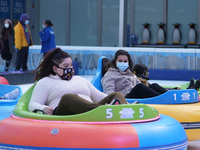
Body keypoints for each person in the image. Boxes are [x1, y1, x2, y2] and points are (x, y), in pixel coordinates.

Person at [28, 48, 128, 115]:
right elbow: (33, 103)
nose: (70, 68)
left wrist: (111, 99)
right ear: (55, 69)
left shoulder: (80, 80)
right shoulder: (45, 82)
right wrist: (43, 108)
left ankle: (127, 107)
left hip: (89, 111)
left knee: (117, 95)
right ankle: (102, 111)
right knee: (69, 97)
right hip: (65, 113)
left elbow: (99, 96)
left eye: (71, 65)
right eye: (66, 66)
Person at [101, 49, 168, 99]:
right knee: (139, 87)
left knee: (154, 85)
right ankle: (162, 98)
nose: (123, 63)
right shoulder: (110, 75)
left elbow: (143, 87)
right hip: (125, 99)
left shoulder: (131, 74)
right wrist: (120, 97)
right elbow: (108, 92)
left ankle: (169, 94)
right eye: (120, 61)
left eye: (125, 61)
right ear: (115, 62)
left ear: (128, 62)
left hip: (135, 96)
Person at [133, 63, 200, 91]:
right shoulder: (139, 83)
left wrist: (173, 89)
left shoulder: (140, 82)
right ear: (145, 73)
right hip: (153, 97)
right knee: (154, 86)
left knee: (155, 86)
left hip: (154, 94)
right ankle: (190, 90)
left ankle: (188, 90)